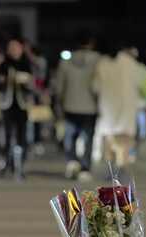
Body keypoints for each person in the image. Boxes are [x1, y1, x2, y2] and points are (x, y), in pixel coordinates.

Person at [93, 46, 146, 170]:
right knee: (123, 151)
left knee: (108, 151)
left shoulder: (102, 64)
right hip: (127, 117)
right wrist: (142, 103)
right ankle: (121, 173)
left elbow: (95, 87)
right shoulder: (137, 67)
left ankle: (110, 173)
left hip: (107, 116)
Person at [55, 31, 100, 181]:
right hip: (90, 106)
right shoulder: (98, 60)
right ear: (91, 43)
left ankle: (72, 163)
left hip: (70, 104)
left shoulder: (65, 61)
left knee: (70, 136)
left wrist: (59, 101)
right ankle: (85, 168)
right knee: (88, 138)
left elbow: (59, 86)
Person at [0, 37, 34, 179]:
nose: (14, 50)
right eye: (11, 47)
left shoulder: (26, 64)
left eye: (16, 47)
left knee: (22, 136)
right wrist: (3, 80)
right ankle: (6, 162)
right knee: (6, 135)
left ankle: (20, 165)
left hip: (22, 105)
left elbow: (32, 83)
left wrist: (26, 82)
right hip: (7, 104)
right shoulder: (3, 65)